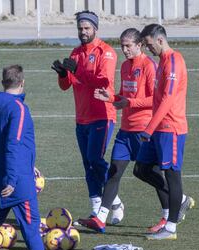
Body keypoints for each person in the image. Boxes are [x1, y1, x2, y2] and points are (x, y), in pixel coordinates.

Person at [0, 65, 73, 250]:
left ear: (3, 82)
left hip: (1, 173)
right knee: (31, 224)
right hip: (16, 180)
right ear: (22, 82)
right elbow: (13, 143)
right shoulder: (18, 108)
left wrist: (27, 164)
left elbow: (2, 143)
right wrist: (14, 177)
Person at [78, 28, 158, 232]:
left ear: (139, 45)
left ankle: (174, 206)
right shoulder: (124, 66)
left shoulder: (149, 66)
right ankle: (101, 218)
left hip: (143, 130)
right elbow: (123, 95)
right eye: (122, 45)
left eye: (128, 45)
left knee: (150, 173)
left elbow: (154, 99)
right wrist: (111, 97)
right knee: (114, 172)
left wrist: (128, 102)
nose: (124, 50)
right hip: (125, 130)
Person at [51, 10, 123, 220]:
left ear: (95, 28)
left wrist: (78, 71)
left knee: (95, 159)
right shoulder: (75, 53)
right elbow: (67, 86)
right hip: (81, 117)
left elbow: (103, 82)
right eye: (80, 28)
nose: (83, 32)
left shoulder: (106, 52)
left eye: (87, 28)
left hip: (102, 115)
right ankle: (98, 205)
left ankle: (112, 201)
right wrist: (64, 75)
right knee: (87, 164)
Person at [134, 24, 195, 240]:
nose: (148, 49)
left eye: (149, 44)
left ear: (160, 40)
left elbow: (168, 99)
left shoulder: (174, 61)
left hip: (171, 128)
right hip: (158, 127)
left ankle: (170, 228)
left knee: (172, 175)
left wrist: (148, 129)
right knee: (141, 169)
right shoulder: (161, 62)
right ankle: (182, 199)